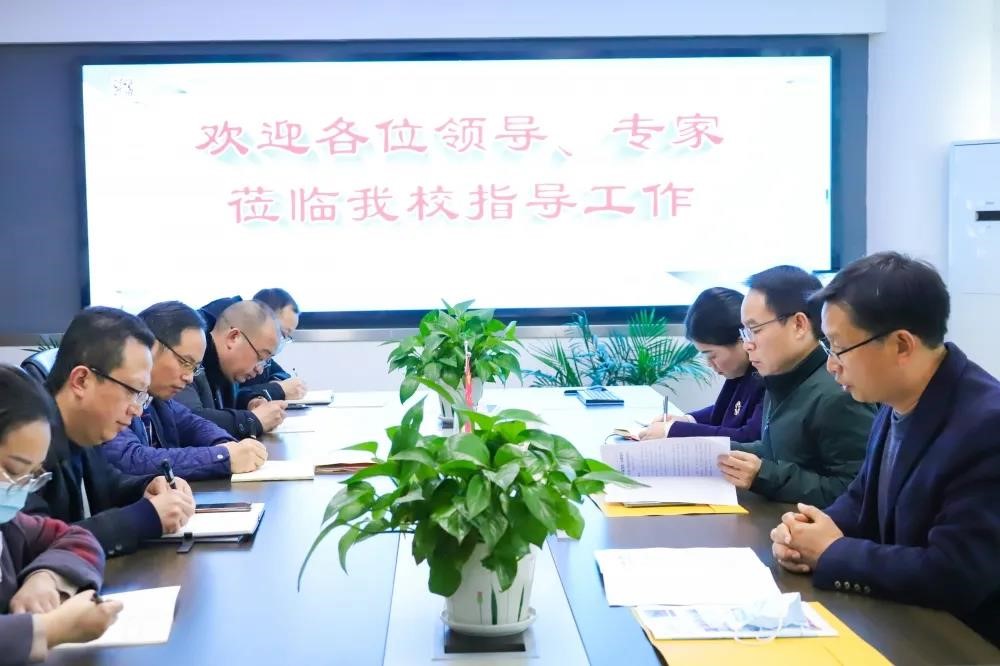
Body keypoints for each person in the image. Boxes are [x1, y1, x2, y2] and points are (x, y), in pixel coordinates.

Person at [770, 252, 1000, 646]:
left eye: (839, 348)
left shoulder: (986, 426)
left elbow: (955, 573)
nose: (831, 365)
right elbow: (862, 498)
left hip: (961, 644)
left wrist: (832, 552)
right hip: (901, 624)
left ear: (901, 345)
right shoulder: (896, 399)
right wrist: (803, 533)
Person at [24, 307, 195, 557]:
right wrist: (144, 517)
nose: (137, 410)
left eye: (141, 395)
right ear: (81, 380)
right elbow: (30, 547)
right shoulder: (24, 442)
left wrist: (146, 487)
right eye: (131, 391)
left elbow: (108, 484)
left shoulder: (83, 427)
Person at [717, 266, 874, 506]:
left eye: (755, 330)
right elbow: (779, 450)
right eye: (745, 332)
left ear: (799, 324)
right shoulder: (782, 378)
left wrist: (765, 476)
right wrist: (715, 450)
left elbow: (855, 491)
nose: (747, 345)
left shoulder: (839, 393)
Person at [0, 365, 124, 664]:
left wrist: (46, 576)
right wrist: (50, 629)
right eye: (14, 471)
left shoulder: (10, 526)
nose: (20, 490)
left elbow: (75, 537)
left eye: (33, 476)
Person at [101, 301, 267, 480]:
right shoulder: (110, 392)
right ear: (150, 347)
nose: (189, 378)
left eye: (195, 368)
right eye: (185, 362)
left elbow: (193, 424)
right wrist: (224, 457)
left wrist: (228, 445)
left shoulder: (155, 397)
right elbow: (132, 460)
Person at [640, 287, 764, 442]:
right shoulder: (741, 371)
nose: (709, 364)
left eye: (712, 355)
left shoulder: (767, 372)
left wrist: (672, 431)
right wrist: (687, 420)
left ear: (741, 339)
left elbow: (748, 437)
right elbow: (725, 411)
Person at [175, 299, 287, 438]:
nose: (260, 370)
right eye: (260, 358)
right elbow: (188, 420)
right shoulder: (188, 356)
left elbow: (236, 398)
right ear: (233, 337)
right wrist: (252, 420)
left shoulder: (226, 367)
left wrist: (250, 401)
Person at [198, 290, 308, 405]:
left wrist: (271, 387)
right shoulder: (200, 347)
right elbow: (198, 413)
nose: (260, 369)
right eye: (282, 333)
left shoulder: (250, 348)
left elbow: (279, 374)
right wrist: (276, 390)